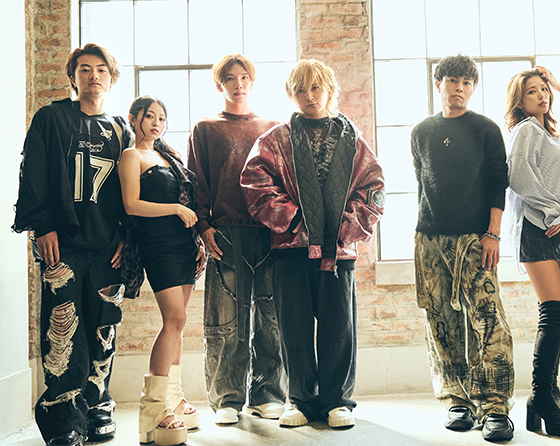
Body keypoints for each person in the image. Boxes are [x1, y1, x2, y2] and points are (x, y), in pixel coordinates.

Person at [241, 58, 384, 429]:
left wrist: (343, 226)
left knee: (339, 328)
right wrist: (297, 222)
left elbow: (373, 188)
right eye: (301, 89)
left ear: (329, 89)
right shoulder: (275, 140)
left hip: (338, 250)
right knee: (294, 327)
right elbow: (255, 185)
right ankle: (301, 400)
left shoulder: (352, 140)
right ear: (292, 94)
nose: (309, 95)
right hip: (291, 248)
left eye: (315, 87)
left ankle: (338, 402)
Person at [12, 43, 131, 446]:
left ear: (111, 78)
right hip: (62, 245)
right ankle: (63, 419)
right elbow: (33, 171)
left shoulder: (121, 129)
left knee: (103, 328)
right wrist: (43, 226)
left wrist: (126, 236)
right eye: (84, 69)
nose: (93, 75)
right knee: (62, 333)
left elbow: (131, 188)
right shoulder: (51, 117)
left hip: (108, 249)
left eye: (101, 69)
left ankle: (98, 407)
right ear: (73, 77)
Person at [411, 54, 514, 443]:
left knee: (488, 320)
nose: (460, 88)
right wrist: (423, 238)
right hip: (431, 238)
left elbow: (497, 182)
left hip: (476, 238)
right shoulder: (421, 132)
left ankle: (494, 407)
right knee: (440, 321)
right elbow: (423, 184)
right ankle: (457, 401)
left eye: (468, 82)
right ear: (438, 83)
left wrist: (493, 233)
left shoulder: (485, 129)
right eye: (453, 80)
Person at [187, 54, 288, 425]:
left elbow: (285, 180)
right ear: (220, 84)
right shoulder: (205, 129)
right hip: (225, 232)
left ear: (252, 81)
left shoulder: (273, 128)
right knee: (225, 320)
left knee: (270, 317)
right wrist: (203, 227)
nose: (238, 84)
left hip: (269, 231)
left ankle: (268, 394)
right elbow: (196, 181)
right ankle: (227, 399)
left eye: (244, 77)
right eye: (230, 78)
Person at [505, 66, 560, 438]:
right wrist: (554, 211)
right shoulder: (525, 130)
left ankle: (549, 391)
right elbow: (518, 176)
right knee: (553, 311)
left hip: (559, 225)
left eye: (544, 89)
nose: (541, 96)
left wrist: (555, 82)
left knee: (559, 312)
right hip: (538, 225)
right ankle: (540, 396)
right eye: (532, 92)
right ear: (519, 101)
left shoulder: (553, 132)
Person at [119, 96, 205, 445]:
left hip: (183, 245)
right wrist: (175, 209)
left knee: (179, 323)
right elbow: (131, 205)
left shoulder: (168, 156)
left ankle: (174, 397)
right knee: (174, 319)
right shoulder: (132, 156)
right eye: (149, 116)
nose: (157, 123)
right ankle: (153, 410)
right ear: (133, 119)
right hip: (158, 246)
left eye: (162, 117)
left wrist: (197, 241)